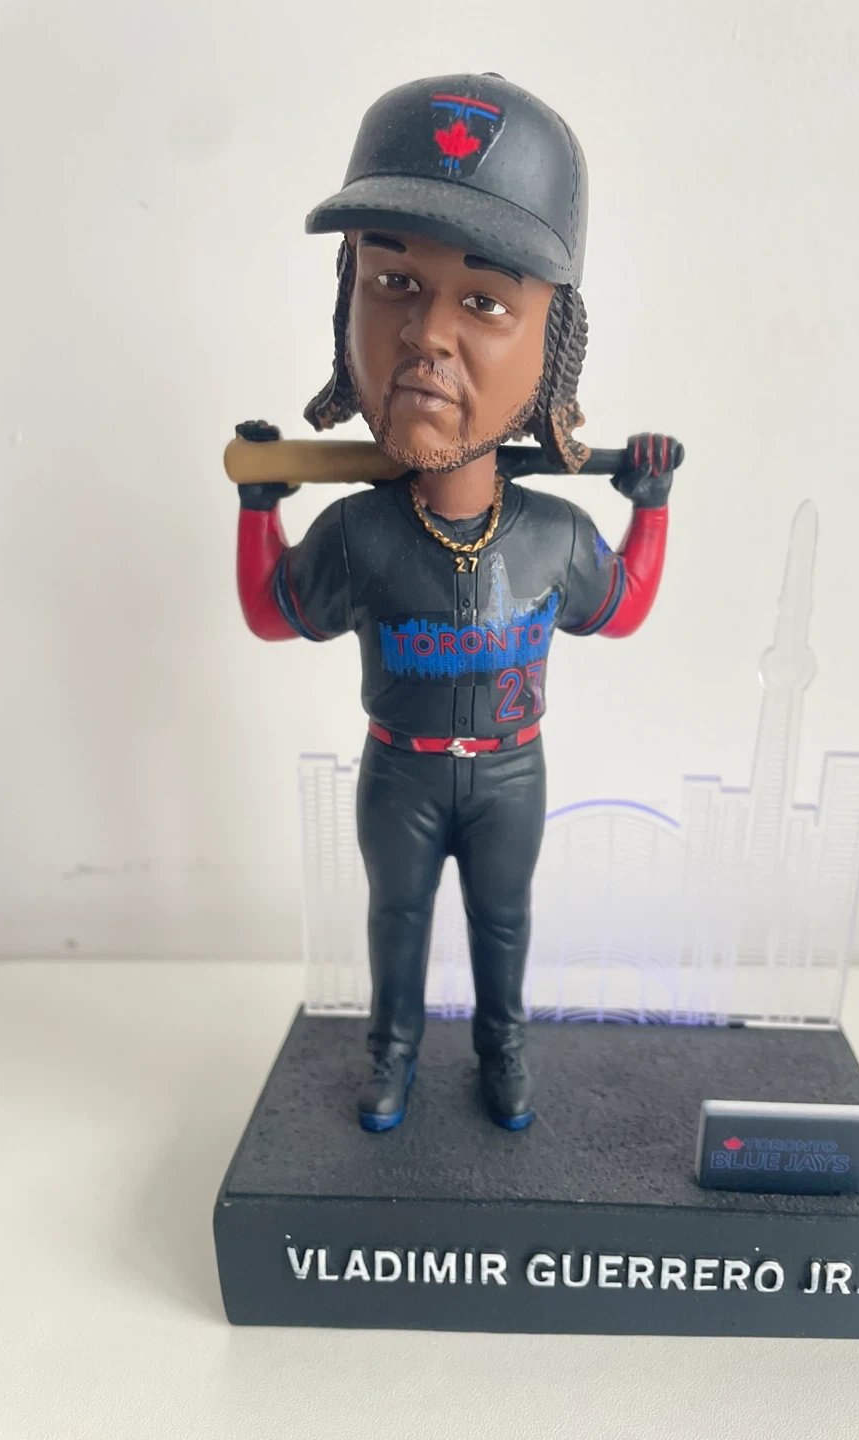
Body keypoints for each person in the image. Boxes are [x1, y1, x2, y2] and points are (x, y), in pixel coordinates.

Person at [235, 73, 682, 1133]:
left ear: (552, 342)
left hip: (511, 773)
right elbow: (272, 611)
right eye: (393, 280)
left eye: (485, 301)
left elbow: (620, 609)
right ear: (346, 298)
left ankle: (502, 1050)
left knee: (503, 922)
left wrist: (651, 507)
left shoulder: (554, 534)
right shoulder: (360, 534)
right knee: (395, 921)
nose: (428, 334)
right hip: (399, 770)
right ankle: (390, 1055)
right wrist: (259, 508)